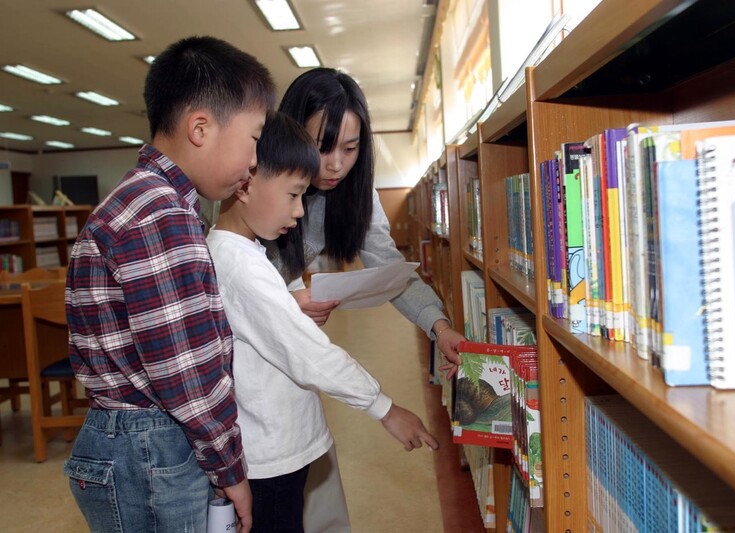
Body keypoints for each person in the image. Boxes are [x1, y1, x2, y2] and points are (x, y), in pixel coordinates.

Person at [63, 36, 275, 533]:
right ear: (200, 128)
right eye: (254, 138)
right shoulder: (160, 212)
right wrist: (230, 466)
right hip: (148, 443)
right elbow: (185, 370)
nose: (253, 160)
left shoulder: (144, 200)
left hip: (133, 437)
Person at [206, 110, 439, 532]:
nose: (300, 212)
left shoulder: (248, 255)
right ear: (245, 184)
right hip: (268, 457)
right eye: (294, 194)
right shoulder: (241, 266)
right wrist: (385, 409)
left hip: (281, 447)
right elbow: (308, 354)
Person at [269, 67, 465, 533]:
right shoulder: (259, 183)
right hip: (249, 359)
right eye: (322, 147)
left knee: (314, 491)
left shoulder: (354, 195)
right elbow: (240, 277)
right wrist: (289, 298)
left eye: (351, 149)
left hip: (293, 358)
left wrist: (439, 328)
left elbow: (391, 273)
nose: (336, 165)